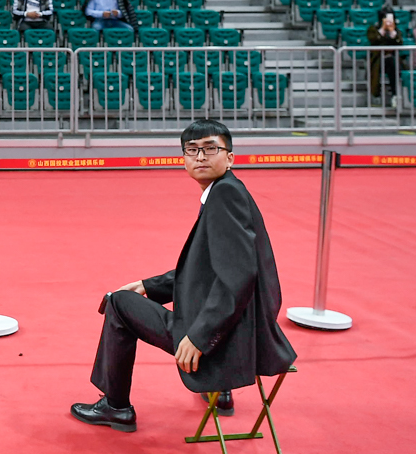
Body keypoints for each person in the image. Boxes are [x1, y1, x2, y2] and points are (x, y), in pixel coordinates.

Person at [72, 119, 296, 432]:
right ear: (184, 160)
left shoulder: (223, 198)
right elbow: (208, 269)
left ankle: (115, 406)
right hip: (244, 329)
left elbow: (239, 276)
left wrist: (201, 337)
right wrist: (151, 287)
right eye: (192, 151)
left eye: (210, 149)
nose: (200, 157)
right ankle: (222, 392)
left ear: (230, 157)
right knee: (133, 295)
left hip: (223, 339)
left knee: (118, 303)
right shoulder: (229, 189)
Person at [366, 8, 403, 107]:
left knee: (392, 62)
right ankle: (377, 95)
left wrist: (392, 32)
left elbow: (399, 43)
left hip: (393, 61)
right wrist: (383, 29)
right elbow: (373, 40)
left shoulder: (397, 31)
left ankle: (395, 95)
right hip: (377, 60)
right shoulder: (373, 29)